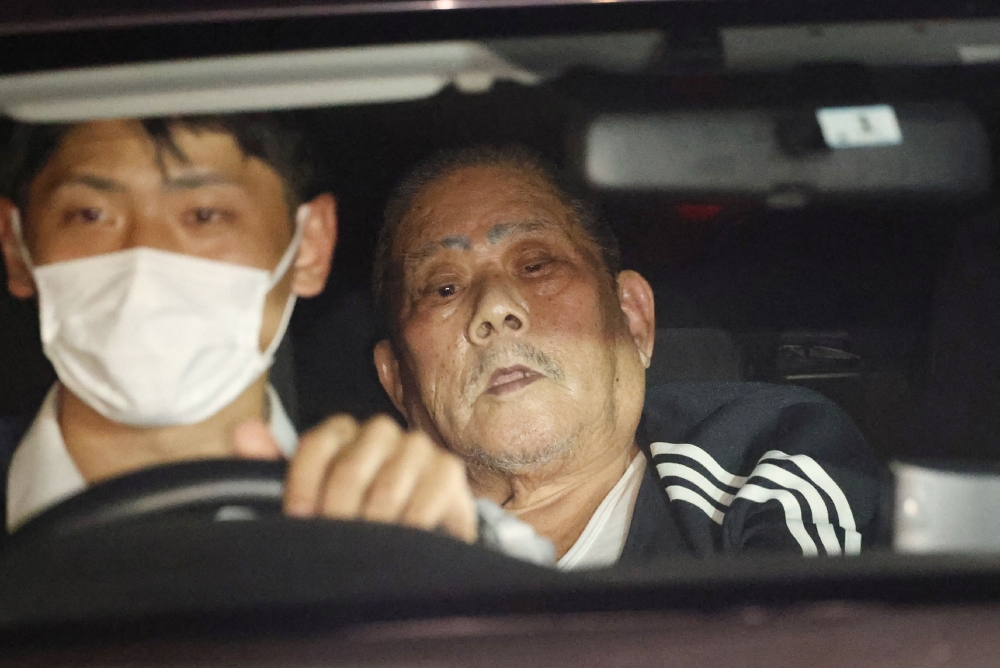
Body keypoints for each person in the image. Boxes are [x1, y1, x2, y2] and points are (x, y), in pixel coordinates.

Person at [369, 145, 883, 568]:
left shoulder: (759, 461)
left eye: (535, 264)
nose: (496, 308)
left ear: (632, 320)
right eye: (443, 288)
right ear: (398, 380)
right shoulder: (357, 556)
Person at [0, 116, 480, 544]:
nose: (145, 260)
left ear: (309, 246)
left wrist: (441, 556)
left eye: (205, 215)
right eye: (90, 215)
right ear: (16, 245)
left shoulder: (408, 523)